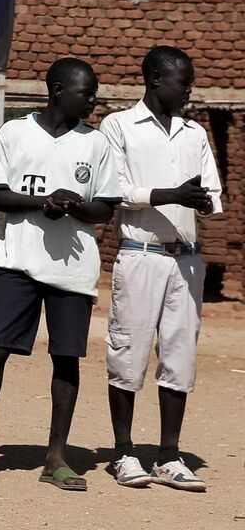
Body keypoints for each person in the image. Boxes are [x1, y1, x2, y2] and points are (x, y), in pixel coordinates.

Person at [0, 57, 119, 495]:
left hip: (73, 269)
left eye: (93, 92)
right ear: (56, 90)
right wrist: (41, 204)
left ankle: (56, 458)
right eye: (85, 92)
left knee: (66, 360)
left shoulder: (97, 143)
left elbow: (105, 206)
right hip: (18, 262)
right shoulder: (14, 133)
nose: (93, 100)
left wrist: (74, 204)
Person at [100, 46, 219, 491]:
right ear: (154, 78)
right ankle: (125, 452)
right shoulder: (119, 126)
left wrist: (203, 203)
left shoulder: (194, 133)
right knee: (128, 354)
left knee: (179, 355)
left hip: (186, 260)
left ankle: (169, 455)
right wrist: (170, 194)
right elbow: (114, 189)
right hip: (140, 253)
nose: (189, 90)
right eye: (182, 82)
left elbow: (212, 197)